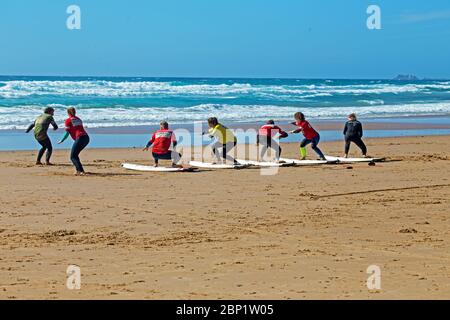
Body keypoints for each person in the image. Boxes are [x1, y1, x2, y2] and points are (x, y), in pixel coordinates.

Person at [58, 107, 90, 175]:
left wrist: (62, 140)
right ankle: (79, 170)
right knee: (75, 155)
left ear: (68, 113)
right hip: (86, 138)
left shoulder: (68, 120)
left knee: (73, 156)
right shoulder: (78, 119)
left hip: (80, 138)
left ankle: (80, 171)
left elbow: (67, 132)